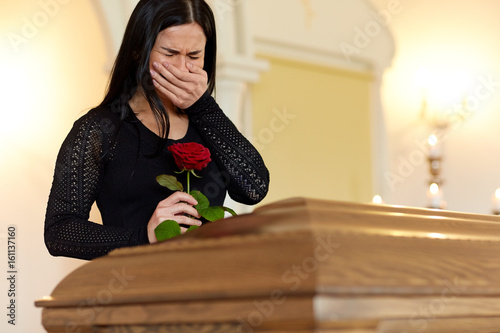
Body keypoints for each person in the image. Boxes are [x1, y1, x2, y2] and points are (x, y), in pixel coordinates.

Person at [44, 0, 270, 260]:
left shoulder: (207, 123)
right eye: (170, 53)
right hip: (134, 289)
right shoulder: (99, 129)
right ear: (139, 50)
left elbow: (254, 188)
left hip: (208, 286)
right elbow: (59, 232)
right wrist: (144, 236)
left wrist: (204, 107)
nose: (182, 67)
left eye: (194, 56)